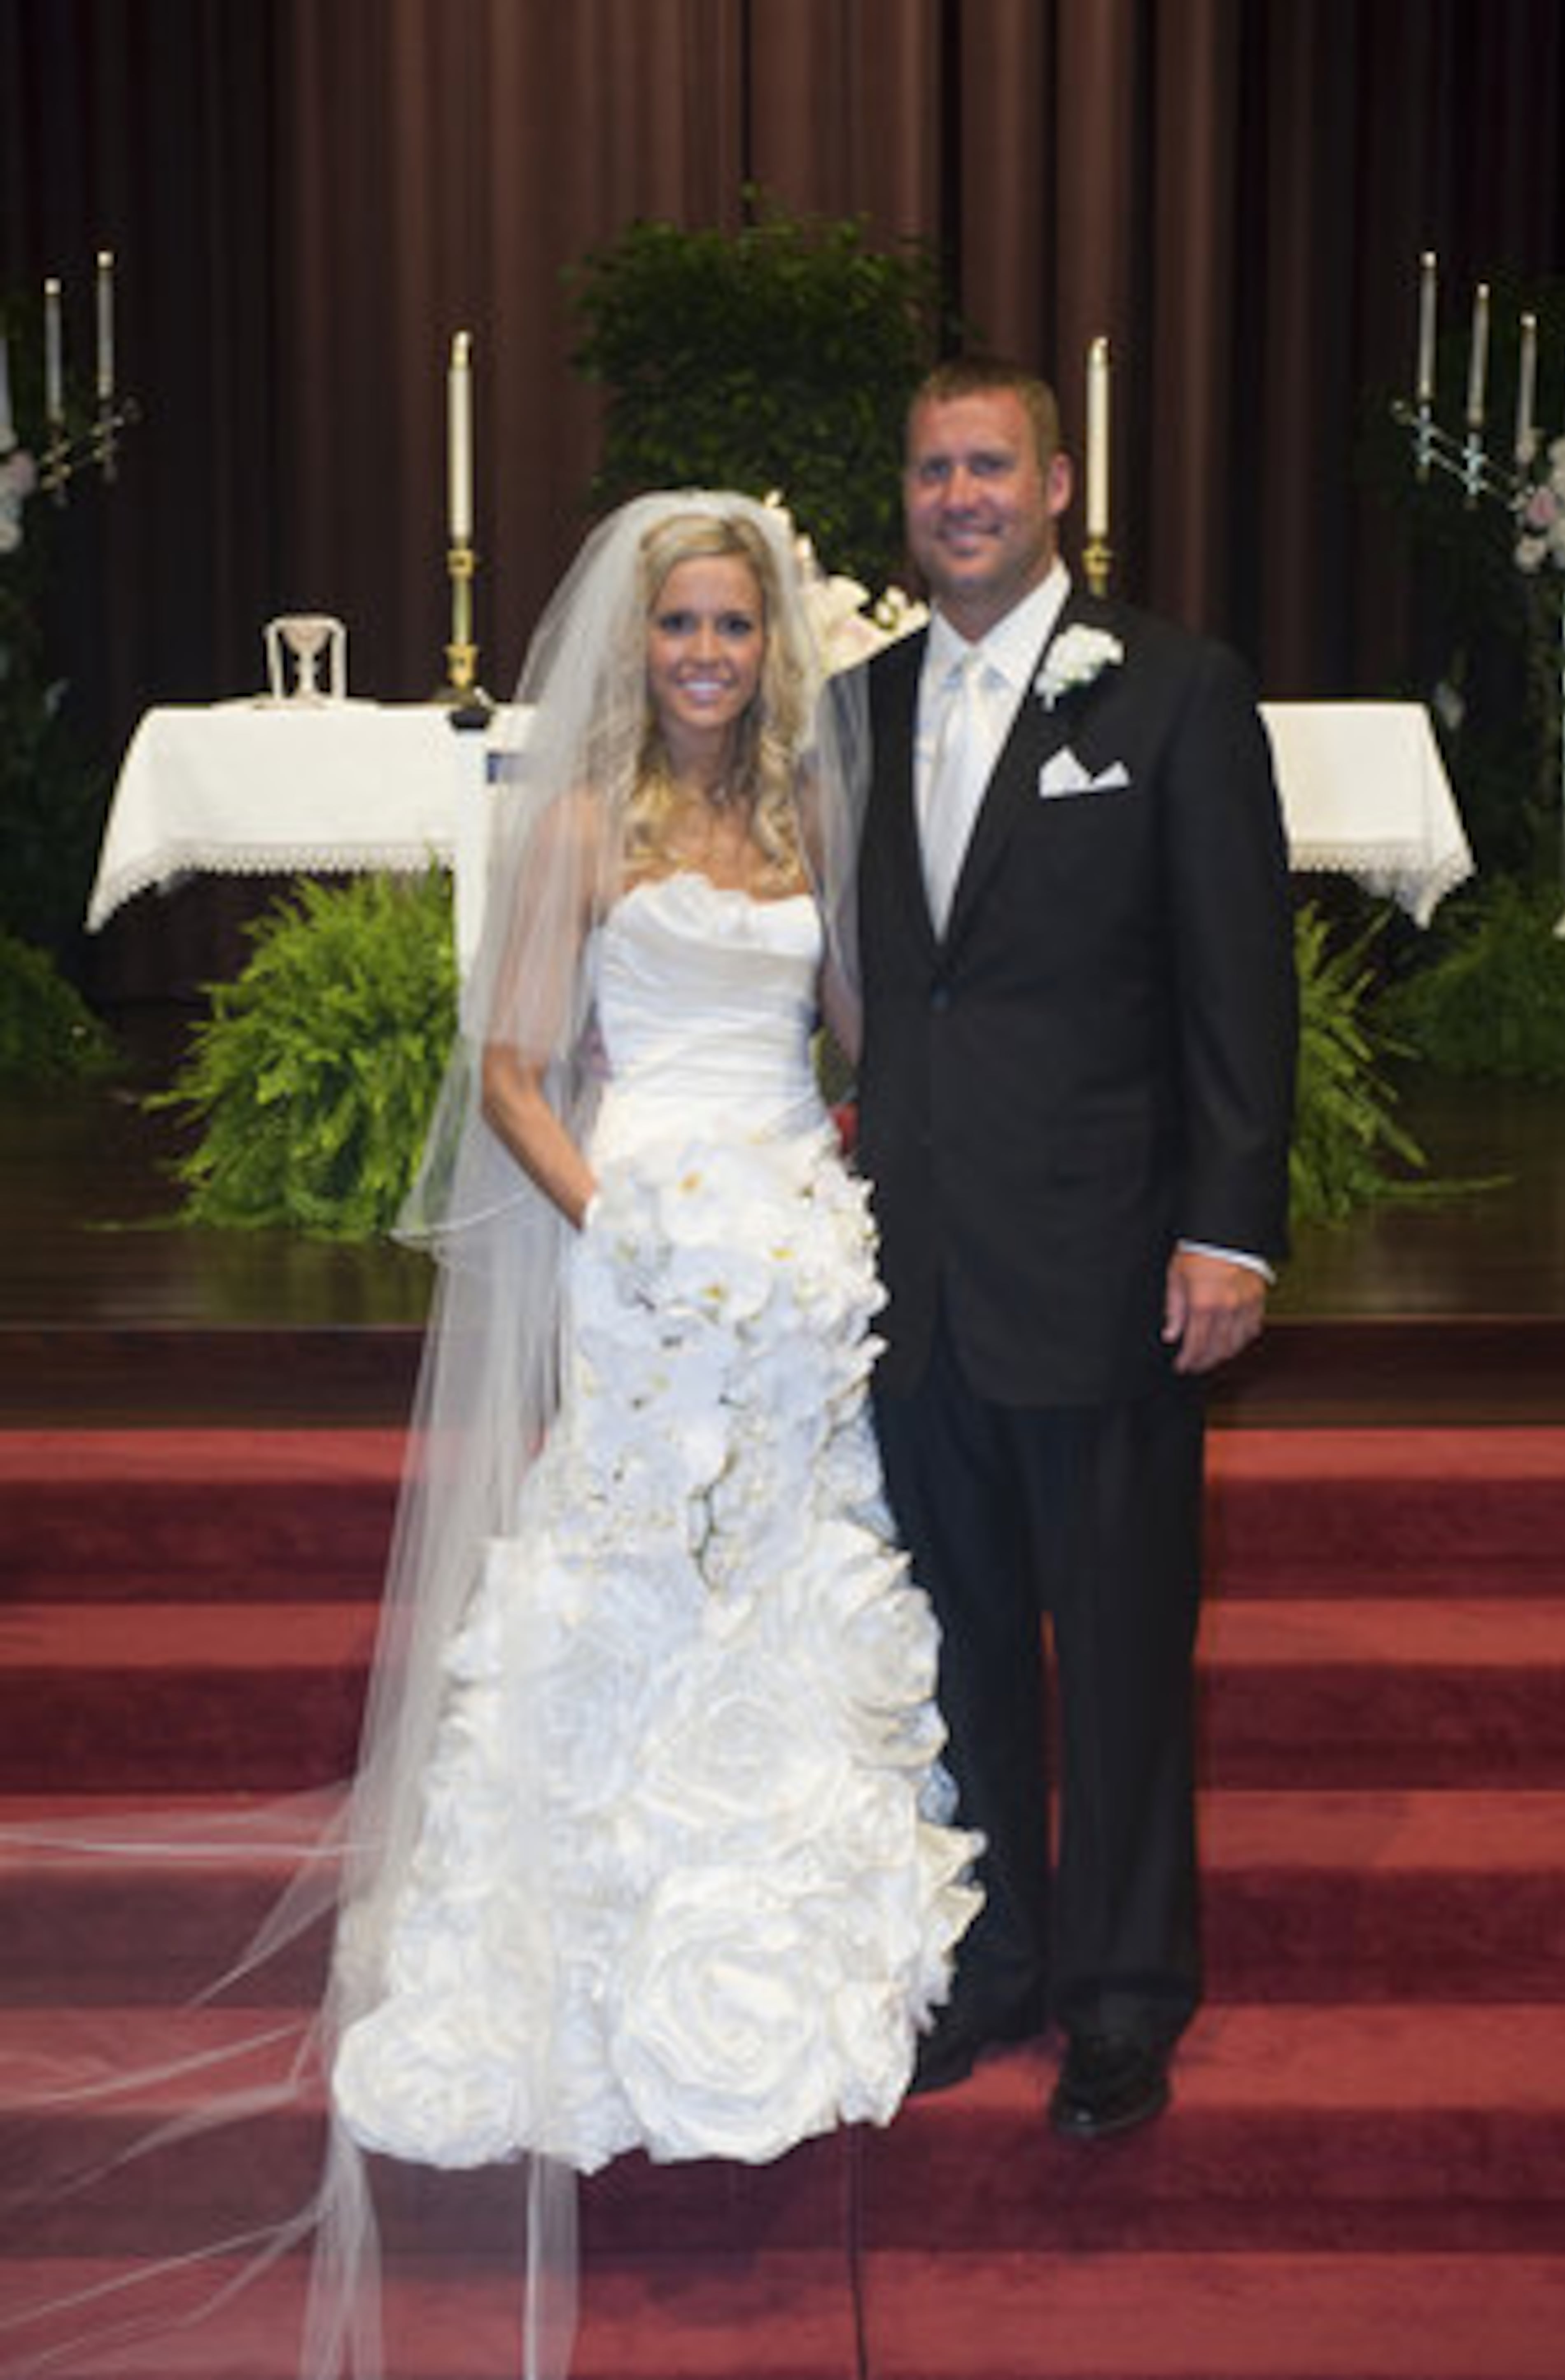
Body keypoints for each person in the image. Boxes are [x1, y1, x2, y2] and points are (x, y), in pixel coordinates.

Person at [0, 494, 979, 2380]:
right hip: (643, 1244)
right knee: (627, 1584)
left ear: (774, 648)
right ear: (643, 642)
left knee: (789, 1571)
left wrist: (846, 1183)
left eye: (734, 628)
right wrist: (623, 1219)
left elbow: (853, 1028)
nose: (706, 654)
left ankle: (791, 1943)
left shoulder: (805, 821)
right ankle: (588, 1956)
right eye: (681, 626)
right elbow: (514, 1066)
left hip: (789, 1259)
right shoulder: (576, 824)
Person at [853, 357, 1297, 2138]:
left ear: (1055, 485)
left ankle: (1122, 1994)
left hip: (1113, 1267)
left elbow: (1235, 988)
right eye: (932, 467)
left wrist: (1228, 1231)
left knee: (1115, 1650)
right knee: (956, 1651)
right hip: (921, 1271)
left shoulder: (1179, 691)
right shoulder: (862, 703)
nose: (960, 494)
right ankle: (1002, 1957)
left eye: (990, 465)